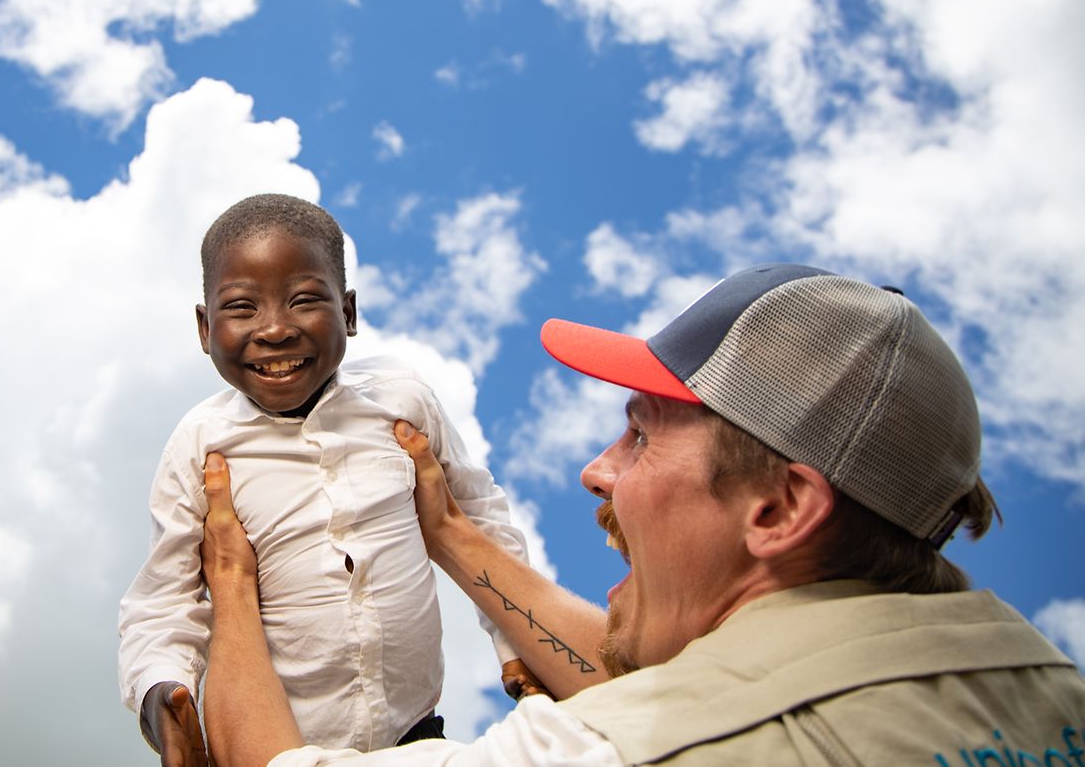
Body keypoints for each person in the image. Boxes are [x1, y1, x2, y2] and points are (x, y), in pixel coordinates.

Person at [200, 262, 1085, 766]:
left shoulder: (615, 753)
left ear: (780, 508)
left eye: (639, 435)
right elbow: (699, 691)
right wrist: (454, 539)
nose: (597, 472)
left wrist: (233, 590)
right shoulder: (1049, 694)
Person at [118, 194, 537, 765]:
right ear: (204, 326)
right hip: (272, 743)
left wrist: (520, 639)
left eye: (305, 300)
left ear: (349, 312)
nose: (275, 329)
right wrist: (162, 694)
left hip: (414, 735)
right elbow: (164, 600)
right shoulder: (201, 445)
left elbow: (478, 518)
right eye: (242, 307)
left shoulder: (402, 404)